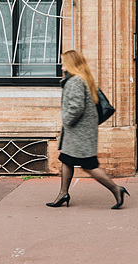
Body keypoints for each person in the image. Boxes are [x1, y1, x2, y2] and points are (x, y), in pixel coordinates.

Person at [46, 50, 130, 209]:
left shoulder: (75, 81)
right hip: (81, 132)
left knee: (89, 166)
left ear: (71, 64)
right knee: (66, 160)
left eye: (64, 63)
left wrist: (67, 120)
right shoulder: (83, 79)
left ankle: (116, 189)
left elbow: (76, 107)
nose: (62, 66)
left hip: (79, 133)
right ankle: (63, 193)